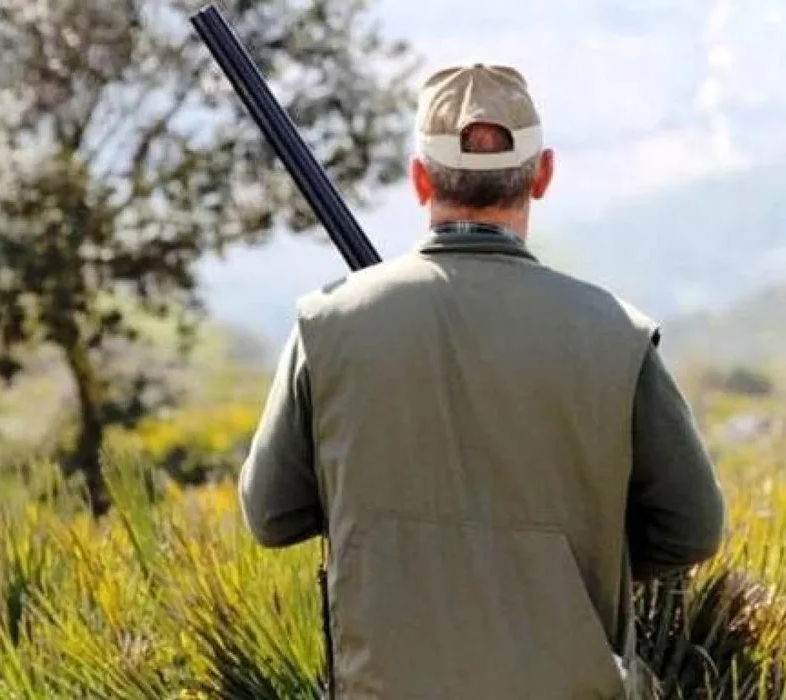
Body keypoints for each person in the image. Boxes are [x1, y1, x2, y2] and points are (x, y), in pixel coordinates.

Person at [238, 63, 725, 700]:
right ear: (543, 173)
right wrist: (570, 556)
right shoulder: (616, 333)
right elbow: (692, 528)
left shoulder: (327, 325)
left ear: (419, 179)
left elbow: (272, 515)